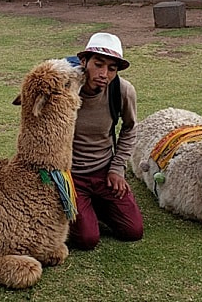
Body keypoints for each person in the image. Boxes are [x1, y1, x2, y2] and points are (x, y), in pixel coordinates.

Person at [69, 32, 144, 250]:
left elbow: (130, 129)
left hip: (104, 171)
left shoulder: (122, 90)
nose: (104, 74)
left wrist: (117, 169)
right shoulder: (66, 90)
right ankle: (79, 207)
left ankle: (95, 206)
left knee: (132, 231)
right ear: (84, 62)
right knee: (86, 239)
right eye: (98, 64)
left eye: (112, 69)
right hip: (71, 175)